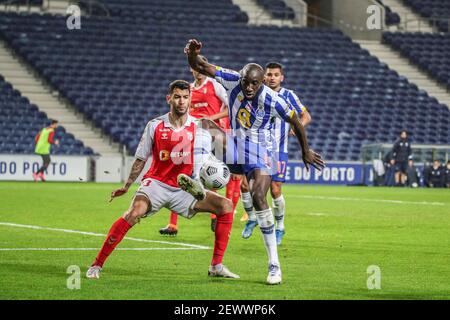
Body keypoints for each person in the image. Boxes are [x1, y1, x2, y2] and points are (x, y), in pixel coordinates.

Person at [185, 38, 324, 285]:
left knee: (260, 196)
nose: (249, 88)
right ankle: (199, 180)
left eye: (254, 83)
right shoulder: (232, 79)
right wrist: (193, 54)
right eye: (246, 82)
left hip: (263, 150)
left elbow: (296, 122)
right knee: (204, 125)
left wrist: (306, 150)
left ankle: (274, 264)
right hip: (237, 143)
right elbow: (203, 66)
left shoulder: (275, 100)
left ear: (261, 83)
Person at [86, 80, 239, 279]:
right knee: (134, 212)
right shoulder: (155, 125)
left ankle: (216, 266)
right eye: (177, 97)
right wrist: (126, 186)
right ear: (169, 99)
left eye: (185, 97)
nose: (182, 101)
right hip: (157, 184)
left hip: (187, 188)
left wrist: (237, 168)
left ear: (190, 100)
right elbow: (141, 159)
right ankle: (96, 264)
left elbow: (228, 148)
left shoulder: (201, 125)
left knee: (226, 206)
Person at [159, 57, 242, 236]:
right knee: (181, 173)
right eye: (194, 68)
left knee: (225, 173)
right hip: (193, 136)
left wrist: (209, 121)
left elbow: (231, 108)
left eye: (199, 67)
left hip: (214, 134)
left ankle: (221, 215)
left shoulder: (215, 85)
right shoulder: (188, 89)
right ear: (191, 69)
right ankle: (172, 224)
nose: (197, 70)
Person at [241, 62, 312, 245]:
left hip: (279, 150)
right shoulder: (255, 92)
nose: (272, 78)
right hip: (257, 148)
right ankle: (251, 218)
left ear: (282, 77)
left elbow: (306, 116)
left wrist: (298, 127)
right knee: (246, 186)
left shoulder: (289, 96)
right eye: (269, 74)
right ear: (264, 77)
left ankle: (280, 227)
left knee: (275, 190)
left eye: (276, 75)